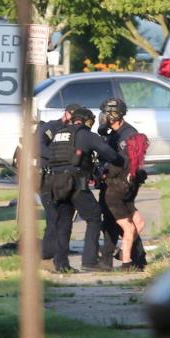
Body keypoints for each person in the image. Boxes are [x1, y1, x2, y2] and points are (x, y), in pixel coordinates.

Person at [47, 107, 123, 272]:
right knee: (94, 217)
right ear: (88, 121)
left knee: (63, 222)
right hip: (75, 182)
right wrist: (121, 160)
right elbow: (110, 154)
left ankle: (61, 264)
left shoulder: (59, 134)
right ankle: (90, 261)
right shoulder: (86, 134)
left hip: (54, 182)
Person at [97, 98, 149, 271]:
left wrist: (106, 172)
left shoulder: (127, 135)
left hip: (118, 188)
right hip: (118, 187)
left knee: (120, 226)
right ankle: (135, 258)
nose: (102, 117)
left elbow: (125, 164)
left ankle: (125, 259)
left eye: (105, 113)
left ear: (114, 115)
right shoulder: (112, 134)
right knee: (129, 224)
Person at [37, 103, 81, 271]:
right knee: (53, 215)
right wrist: (57, 158)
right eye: (73, 115)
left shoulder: (74, 131)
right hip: (47, 177)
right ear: (66, 113)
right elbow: (38, 145)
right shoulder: (52, 127)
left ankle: (55, 251)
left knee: (62, 217)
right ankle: (47, 253)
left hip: (64, 178)